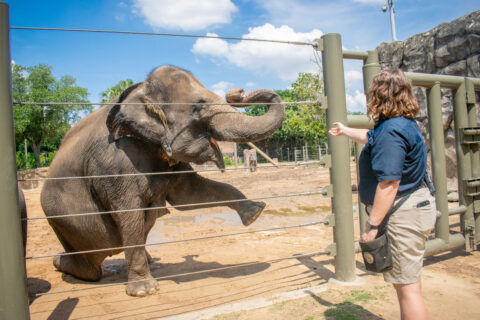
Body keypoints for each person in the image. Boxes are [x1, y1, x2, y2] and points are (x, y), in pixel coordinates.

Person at [328, 69, 437, 320]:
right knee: (408, 282)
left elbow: (389, 184)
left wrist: (372, 225)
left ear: (379, 95)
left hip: (403, 215)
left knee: (408, 289)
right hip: (415, 208)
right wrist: (345, 130)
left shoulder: (390, 131)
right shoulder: (402, 124)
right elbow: (371, 137)